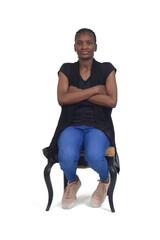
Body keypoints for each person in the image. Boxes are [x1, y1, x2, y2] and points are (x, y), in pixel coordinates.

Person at [43, 28, 119, 209]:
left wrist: (75, 92)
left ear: (95, 47)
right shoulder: (66, 69)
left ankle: (104, 180)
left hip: (98, 125)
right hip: (71, 124)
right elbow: (62, 99)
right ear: (75, 47)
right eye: (80, 43)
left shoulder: (106, 69)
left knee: (94, 156)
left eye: (89, 43)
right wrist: (94, 90)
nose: (84, 46)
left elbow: (112, 101)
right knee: (66, 156)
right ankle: (72, 182)